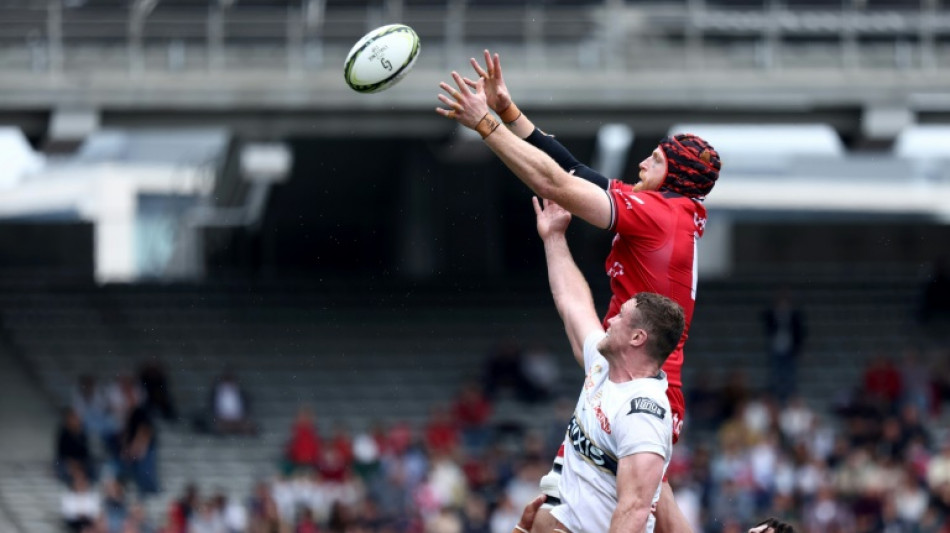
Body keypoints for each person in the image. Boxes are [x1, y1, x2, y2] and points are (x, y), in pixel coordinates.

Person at [437, 50, 721, 533]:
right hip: (627, 365)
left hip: (642, 383)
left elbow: (555, 181)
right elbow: (577, 172)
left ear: (674, 175)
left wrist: (485, 123)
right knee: (567, 516)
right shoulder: (668, 211)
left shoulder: (658, 214)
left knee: (625, 510)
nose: (640, 162)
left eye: (654, 159)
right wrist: (510, 113)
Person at [529, 197, 685, 532]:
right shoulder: (602, 366)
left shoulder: (643, 412)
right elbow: (572, 303)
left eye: (621, 317)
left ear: (637, 338)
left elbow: (634, 511)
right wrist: (554, 237)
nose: (610, 318)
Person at [761, 289, 806, 402]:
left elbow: (800, 332)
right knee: (775, 375)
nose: (783, 305)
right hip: (776, 348)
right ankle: (776, 398)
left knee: (790, 376)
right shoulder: (772, 314)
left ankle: (789, 399)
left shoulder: (794, 315)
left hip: (790, 349)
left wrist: (799, 349)